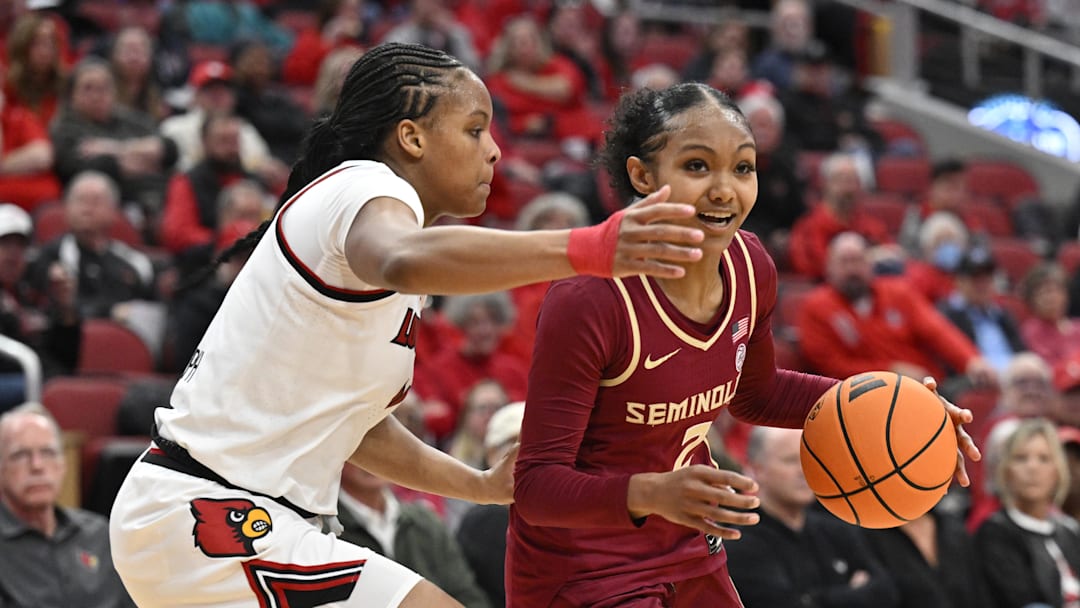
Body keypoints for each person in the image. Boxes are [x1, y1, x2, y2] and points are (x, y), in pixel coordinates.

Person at [108, 42, 709, 608]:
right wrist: (588, 247)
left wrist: (481, 485)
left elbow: (359, 429)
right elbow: (399, 256)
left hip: (211, 516)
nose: (494, 150)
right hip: (210, 512)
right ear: (411, 138)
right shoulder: (364, 188)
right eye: (475, 129)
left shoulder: (383, 252)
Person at [507, 82, 980, 608]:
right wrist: (653, 491)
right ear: (642, 176)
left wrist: (895, 405)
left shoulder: (751, 267)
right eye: (696, 166)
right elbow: (535, 488)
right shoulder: (589, 300)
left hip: (683, 546)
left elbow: (755, 394)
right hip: (581, 568)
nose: (725, 189)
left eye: (743, 167)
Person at [796, 232, 997, 392]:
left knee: (980, 390)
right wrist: (889, 371)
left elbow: (937, 331)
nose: (852, 270)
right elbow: (830, 366)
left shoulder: (899, 292)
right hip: (863, 396)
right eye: (844, 262)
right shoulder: (816, 307)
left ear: (870, 264)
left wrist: (971, 360)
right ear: (829, 267)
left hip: (929, 386)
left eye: (857, 261)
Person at [726, 426, 899, 607]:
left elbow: (887, 592)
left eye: (808, 460)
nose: (803, 471)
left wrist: (813, 599)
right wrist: (854, 595)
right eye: (790, 461)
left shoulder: (836, 530)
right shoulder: (740, 541)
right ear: (757, 470)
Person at [0, 403, 134, 607]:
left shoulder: (98, 533)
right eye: (20, 455)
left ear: (63, 465)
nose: (37, 466)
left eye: (48, 453)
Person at [336, 465, 491, 607]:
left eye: (382, 445)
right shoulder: (326, 531)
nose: (370, 461)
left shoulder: (426, 521)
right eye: (358, 449)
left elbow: (466, 594)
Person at [975, 417, 1080, 608]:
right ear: (1006, 470)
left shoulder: (1070, 530)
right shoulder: (995, 532)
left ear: (1058, 470)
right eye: (1021, 458)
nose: (1033, 468)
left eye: (1044, 459)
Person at [457, 401, 527, 608]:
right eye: (513, 445)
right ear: (491, 454)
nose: (525, 456)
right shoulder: (484, 521)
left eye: (537, 445)